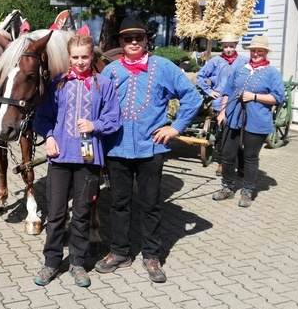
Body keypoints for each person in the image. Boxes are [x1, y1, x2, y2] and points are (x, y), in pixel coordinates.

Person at [95, 17, 202, 283]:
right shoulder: (110, 71)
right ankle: (120, 252)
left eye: (138, 38)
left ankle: (152, 255)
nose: (133, 43)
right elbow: (94, 103)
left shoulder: (163, 67)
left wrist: (175, 128)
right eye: (127, 39)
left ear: (146, 40)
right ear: (120, 42)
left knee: (151, 204)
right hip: (117, 149)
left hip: (151, 148)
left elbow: (192, 97)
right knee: (119, 204)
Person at [32, 34, 122, 287]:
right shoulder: (57, 83)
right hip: (59, 157)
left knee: (82, 213)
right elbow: (43, 118)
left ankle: (78, 263)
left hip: (88, 158)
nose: (81, 62)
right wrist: (49, 137)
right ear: (68, 58)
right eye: (76, 57)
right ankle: (51, 263)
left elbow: (114, 119)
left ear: (92, 56)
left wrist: (95, 124)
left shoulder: (103, 84)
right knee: (56, 213)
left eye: (85, 56)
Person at [212, 35, 285, 208]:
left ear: (266, 52)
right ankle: (227, 187)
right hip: (234, 117)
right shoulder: (240, 69)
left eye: (260, 50)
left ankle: (247, 191)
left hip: (257, 120)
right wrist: (222, 111)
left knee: (250, 157)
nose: (256, 53)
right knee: (228, 155)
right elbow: (227, 90)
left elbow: (277, 97)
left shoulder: (272, 73)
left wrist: (254, 97)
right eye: (253, 50)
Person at [196, 33, 249, 176]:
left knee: (241, 134)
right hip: (221, 104)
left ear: (236, 46)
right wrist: (210, 91)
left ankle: (242, 164)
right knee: (222, 134)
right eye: (225, 47)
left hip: (239, 103)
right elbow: (200, 76)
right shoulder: (215, 61)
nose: (228, 49)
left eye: (231, 46)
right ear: (222, 47)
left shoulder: (245, 61)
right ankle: (222, 163)